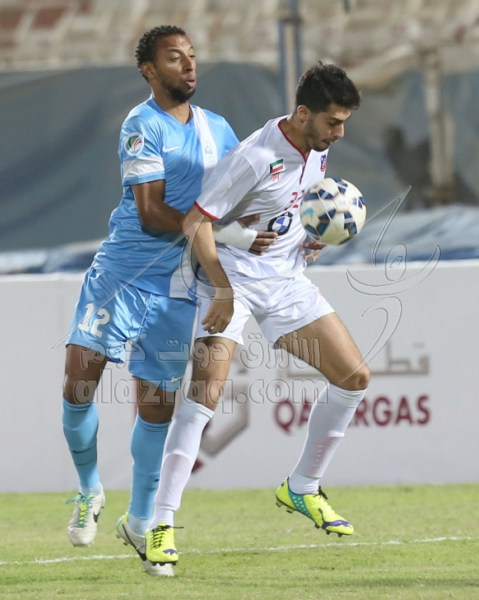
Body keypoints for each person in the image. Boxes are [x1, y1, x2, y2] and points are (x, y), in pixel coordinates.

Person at [62, 25, 276, 576]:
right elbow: (152, 212)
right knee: (79, 383)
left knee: (156, 408)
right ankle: (89, 488)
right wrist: (223, 234)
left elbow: (244, 196)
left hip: (180, 286)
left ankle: (139, 520)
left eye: (192, 56)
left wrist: (287, 226)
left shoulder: (218, 129)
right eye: (174, 58)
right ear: (149, 70)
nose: (188, 65)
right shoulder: (142, 125)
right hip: (123, 274)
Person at [142, 63, 371, 571]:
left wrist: (310, 236)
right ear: (303, 113)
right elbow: (195, 222)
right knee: (206, 394)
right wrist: (222, 289)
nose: (339, 133)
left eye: (344, 122)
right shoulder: (255, 157)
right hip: (232, 280)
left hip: (285, 281)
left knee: (354, 377)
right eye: (333, 122)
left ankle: (302, 487)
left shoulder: (318, 146)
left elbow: (295, 202)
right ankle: (160, 524)